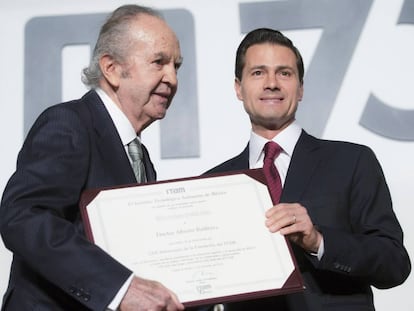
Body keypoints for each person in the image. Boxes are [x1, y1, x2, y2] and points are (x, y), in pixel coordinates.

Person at [204, 28, 411, 310]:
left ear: (300, 89)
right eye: (258, 73)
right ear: (238, 88)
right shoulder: (212, 183)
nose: (272, 83)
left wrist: (318, 240)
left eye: (284, 73)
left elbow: (394, 264)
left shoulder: (352, 161)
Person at [0, 4, 185, 311]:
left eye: (176, 66)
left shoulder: (140, 157)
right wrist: (120, 289)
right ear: (111, 69)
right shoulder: (69, 124)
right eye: (159, 62)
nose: (172, 78)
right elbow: (22, 215)